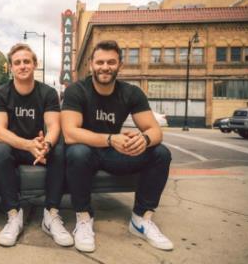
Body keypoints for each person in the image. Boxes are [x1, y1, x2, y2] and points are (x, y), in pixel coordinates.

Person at [61, 40, 173, 252]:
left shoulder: (131, 93)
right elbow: (70, 133)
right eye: (100, 62)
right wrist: (112, 139)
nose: (105, 67)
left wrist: (144, 139)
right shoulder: (77, 90)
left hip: (114, 153)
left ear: (120, 65)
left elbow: (155, 130)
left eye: (111, 62)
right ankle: (84, 219)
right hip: (87, 153)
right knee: (77, 152)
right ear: (91, 65)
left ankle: (141, 219)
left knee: (160, 153)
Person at [0, 43, 73, 247]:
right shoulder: (0, 93)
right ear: (11, 67)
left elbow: (54, 126)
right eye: (17, 62)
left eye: (27, 61)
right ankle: (13, 215)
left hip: (38, 147)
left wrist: (47, 144)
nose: (22, 66)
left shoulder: (48, 92)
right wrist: (28, 144)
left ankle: (51, 214)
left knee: (60, 151)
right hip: (15, 147)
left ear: (35, 64)